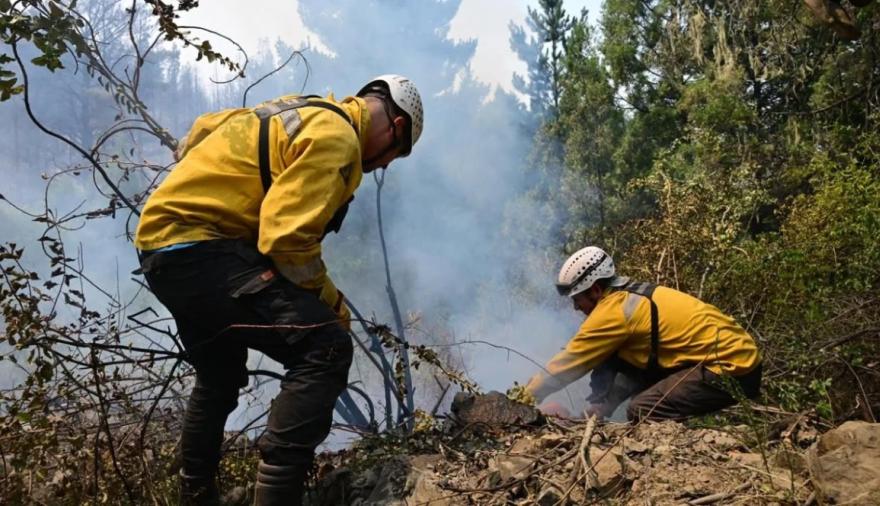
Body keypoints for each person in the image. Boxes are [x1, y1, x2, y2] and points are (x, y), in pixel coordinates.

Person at [134, 75, 424, 505]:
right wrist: (333, 303)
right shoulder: (339, 139)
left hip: (160, 246)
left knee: (220, 371)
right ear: (395, 129)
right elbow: (285, 242)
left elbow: (204, 128)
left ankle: (195, 497)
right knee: (324, 346)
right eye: (393, 157)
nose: (381, 166)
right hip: (200, 249)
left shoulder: (298, 107)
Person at [525, 246, 761, 422]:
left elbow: (571, 362)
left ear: (596, 290)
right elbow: (624, 366)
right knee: (624, 363)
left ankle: (670, 463)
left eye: (577, 300)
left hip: (730, 366)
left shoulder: (613, 312)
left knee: (643, 409)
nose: (577, 308)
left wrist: (525, 396)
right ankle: (603, 415)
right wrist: (600, 406)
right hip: (736, 358)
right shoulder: (631, 296)